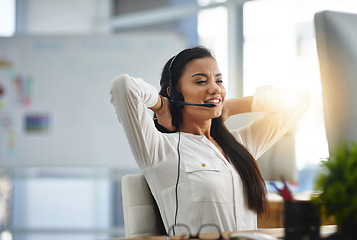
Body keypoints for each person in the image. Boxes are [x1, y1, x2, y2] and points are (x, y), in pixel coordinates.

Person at [110, 46, 309, 234]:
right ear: (175, 93)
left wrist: (232, 106)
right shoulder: (160, 149)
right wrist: (161, 105)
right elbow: (124, 87)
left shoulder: (240, 144)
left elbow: (301, 101)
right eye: (201, 81)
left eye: (219, 81)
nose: (214, 88)